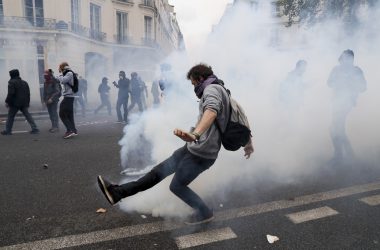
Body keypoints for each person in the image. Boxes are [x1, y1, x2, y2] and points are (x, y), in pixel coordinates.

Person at [97, 64, 254, 225]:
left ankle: (205, 212)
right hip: (193, 149)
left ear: (200, 78)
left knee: (177, 186)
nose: (194, 88)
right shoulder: (221, 89)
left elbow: (211, 111)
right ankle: (118, 193)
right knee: (157, 173)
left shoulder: (211, 90)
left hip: (202, 154)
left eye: (193, 83)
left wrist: (195, 134)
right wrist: (248, 142)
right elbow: (240, 115)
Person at [327, 50, 366, 163]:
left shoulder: (356, 71)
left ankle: (342, 155)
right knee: (336, 129)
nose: (347, 60)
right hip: (336, 102)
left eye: (350, 58)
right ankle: (345, 155)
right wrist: (339, 82)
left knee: (336, 128)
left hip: (347, 102)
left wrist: (352, 84)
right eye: (345, 58)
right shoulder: (336, 69)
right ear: (342, 59)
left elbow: (364, 87)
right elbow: (329, 83)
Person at [1, 69, 39, 135]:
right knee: (28, 115)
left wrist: (7, 101)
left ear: (12, 75)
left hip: (15, 103)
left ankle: (8, 131)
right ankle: (35, 128)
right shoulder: (24, 82)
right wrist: (28, 103)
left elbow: (11, 93)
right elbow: (28, 93)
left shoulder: (11, 82)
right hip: (24, 102)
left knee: (10, 116)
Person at [58, 62, 78, 139]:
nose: (59, 69)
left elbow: (63, 80)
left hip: (68, 96)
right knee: (69, 115)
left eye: (60, 67)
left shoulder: (69, 73)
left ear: (62, 67)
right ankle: (74, 130)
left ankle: (70, 130)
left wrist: (58, 76)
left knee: (62, 114)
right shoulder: (68, 73)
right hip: (69, 96)